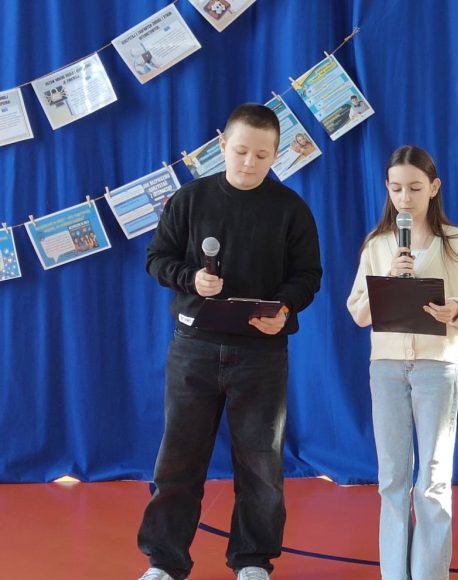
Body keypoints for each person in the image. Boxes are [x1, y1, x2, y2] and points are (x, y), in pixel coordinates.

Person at [137, 104, 323, 580]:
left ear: (276, 154)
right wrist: (190, 279)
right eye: (240, 151)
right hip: (193, 348)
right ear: (222, 145)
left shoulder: (291, 209)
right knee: (178, 460)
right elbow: (156, 258)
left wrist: (284, 309)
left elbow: (308, 276)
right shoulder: (190, 199)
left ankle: (253, 560)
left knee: (261, 464)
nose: (248, 162)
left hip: (261, 353)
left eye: (261, 155)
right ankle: (165, 562)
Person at [346, 146, 458, 580]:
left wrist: (455, 309)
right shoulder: (377, 245)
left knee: (434, 479)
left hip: (436, 367)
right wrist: (389, 275)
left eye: (415, 188)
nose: (405, 198)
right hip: (386, 368)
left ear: (434, 187)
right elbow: (358, 313)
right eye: (396, 188)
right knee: (392, 479)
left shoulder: (456, 243)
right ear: (387, 189)